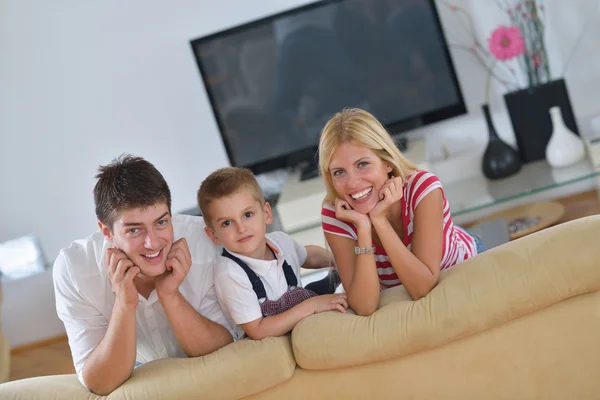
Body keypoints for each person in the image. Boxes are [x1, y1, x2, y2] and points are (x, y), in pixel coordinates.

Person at [53, 155, 237, 395]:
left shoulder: (205, 243)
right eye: (134, 230)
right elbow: (99, 382)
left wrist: (170, 295)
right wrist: (124, 303)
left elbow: (227, 350)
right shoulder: (75, 270)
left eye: (161, 223)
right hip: (137, 374)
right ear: (106, 231)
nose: (152, 243)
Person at [318, 108, 484, 316]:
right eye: (339, 172)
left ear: (386, 162)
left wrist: (379, 221)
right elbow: (364, 306)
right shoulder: (336, 213)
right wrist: (363, 229)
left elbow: (421, 288)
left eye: (362, 164)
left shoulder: (423, 189)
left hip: (463, 261)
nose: (352, 183)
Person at [197, 167, 348, 341]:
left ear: (266, 214)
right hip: (268, 341)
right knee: (314, 299)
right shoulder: (230, 273)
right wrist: (312, 306)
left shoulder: (280, 241)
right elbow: (258, 329)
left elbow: (309, 256)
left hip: (301, 316)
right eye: (227, 223)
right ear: (214, 235)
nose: (241, 228)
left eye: (247, 214)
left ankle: (335, 277)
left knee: (317, 290)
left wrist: (339, 259)